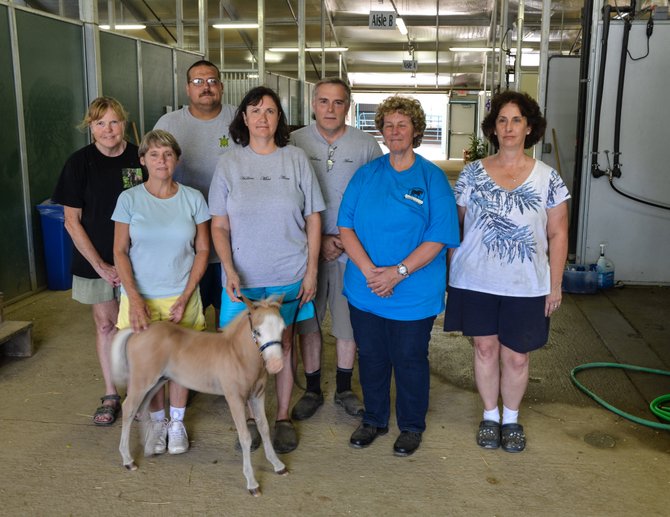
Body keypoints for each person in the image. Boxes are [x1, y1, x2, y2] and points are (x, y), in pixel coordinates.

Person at [443, 90, 570, 453]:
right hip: (476, 280)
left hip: (528, 283)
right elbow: (457, 228)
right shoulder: (471, 175)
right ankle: (490, 416)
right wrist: (452, 275)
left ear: (529, 127)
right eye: (502, 120)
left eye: (516, 120)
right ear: (493, 129)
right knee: (484, 349)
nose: (509, 127)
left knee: (517, 354)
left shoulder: (549, 178)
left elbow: (558, 233)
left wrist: (555, 283)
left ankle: (511, 419)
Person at [337, 96, 460, 457]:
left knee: (409, 358)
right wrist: (370, 272)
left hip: (413, 291)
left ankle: (411, 425)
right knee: (372, 356)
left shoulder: (432, 178)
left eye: (402, 124)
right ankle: (374, 418)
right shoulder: (367, 174)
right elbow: (345, 226)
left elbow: (438, 237)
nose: (394, 131)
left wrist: (398, 273)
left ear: (416, 130)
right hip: (366, 287)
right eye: (388, 125)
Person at [209, 86, 325, 454]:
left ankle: (282, 417)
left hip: (288, 275)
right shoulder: (229, 163)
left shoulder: (295, 159)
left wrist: (311, 272)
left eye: (271, 111)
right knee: (237, 352)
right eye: (255, 110)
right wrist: (228, 268)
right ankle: (246, 420)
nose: (262, 117)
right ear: (243, 118)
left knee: (283, 346)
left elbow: (313, 219)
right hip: (242, 282)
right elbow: (219, 225)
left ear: (280, 119)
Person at [289, 78, 383, 421]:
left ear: (349, 106)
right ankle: (312, 389)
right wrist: (317, 241)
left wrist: (344, 240)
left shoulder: (365, 146)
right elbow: (288, 199)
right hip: (305, 251)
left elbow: (376, 199)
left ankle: (344, 387)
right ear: (313, 104)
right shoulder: (294, 143)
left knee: (347, 324)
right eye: (324, 101)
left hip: (352, 250)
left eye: (339, 102)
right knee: (308, 323)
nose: (331, 109)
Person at [112, 129, 210, 455]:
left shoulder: (193, 198)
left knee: (184, 363)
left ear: (177, 159)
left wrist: (185, 297)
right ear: (142, 161)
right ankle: (156, 421)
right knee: (148, 365)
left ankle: (177, 423)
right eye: (153, 155)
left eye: (167, 154)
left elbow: (203, 251)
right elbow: (120, 252)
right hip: (140, 296)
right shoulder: (129, 199)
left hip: (181, 295)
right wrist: (136, 300)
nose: (161, 160)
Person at [52, 96, 145, 426]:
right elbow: (71, 221)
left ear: (124, 123)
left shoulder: (140, 158)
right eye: (100, 123)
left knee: (139, 326)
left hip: (140, 261)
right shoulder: (79, 163)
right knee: (106, 325)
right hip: (96, 262)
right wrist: (101, 266)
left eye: (114, 122)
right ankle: (110, 393)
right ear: (90, 127)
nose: (108, 129)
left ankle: (141, 388)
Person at [154, 60, 238, 326]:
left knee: (229, 317)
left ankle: (225, 365)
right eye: (198, 82)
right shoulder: (168, 124)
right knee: (187, 316)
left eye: (212, 81)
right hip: (185, 238)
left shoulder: (240, 119)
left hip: (233, 235)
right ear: (187, 88)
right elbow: (154, 175)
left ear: (222, 87)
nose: (206, 87)